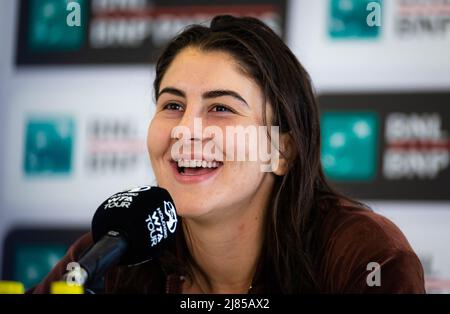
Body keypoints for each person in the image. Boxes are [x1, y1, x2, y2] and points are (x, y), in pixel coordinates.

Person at [29, 15, 425, 294]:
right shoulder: (112, 253)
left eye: (220, 108)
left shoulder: (364, 257)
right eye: (172, 106)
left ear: (282, 150)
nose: (185, 129)